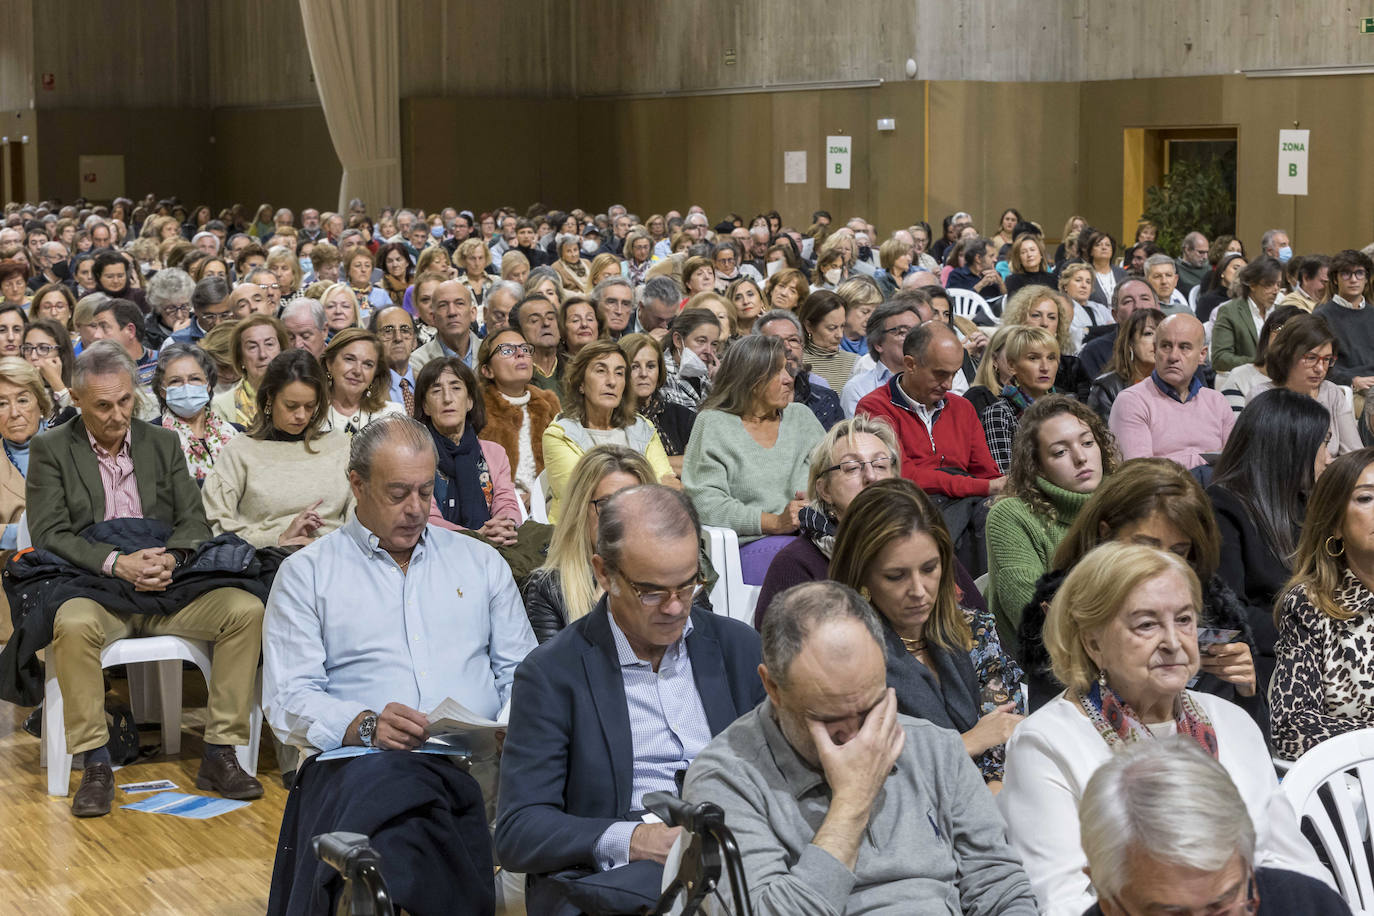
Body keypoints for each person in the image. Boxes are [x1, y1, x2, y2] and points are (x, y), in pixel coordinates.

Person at [262, 415, 536, 916]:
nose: (415, 510)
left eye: (425, 492)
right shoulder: (307, 574)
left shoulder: (479, 563)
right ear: (356, 483)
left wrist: (509, 722)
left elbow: (521, 669)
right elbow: (288, 698)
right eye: (397, 494)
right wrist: (365, 726)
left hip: (479, 757)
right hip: (362, 762)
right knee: (401, 802)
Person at [997, 542, 1328, 915]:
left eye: (1184, 620)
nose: (1173, 642)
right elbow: (1064, 901)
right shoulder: (1046, 743)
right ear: (1093, 642)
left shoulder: (1231, 721)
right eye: (1147, 624)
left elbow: (1293, 863)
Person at [683, 580, 1039, 914]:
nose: (858, 735)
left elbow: (1000, 888)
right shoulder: (725, 778)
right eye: (829, 717)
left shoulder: (934, 746)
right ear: (772, 688)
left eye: (871, 707)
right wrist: (852, 802)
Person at [495, 485, 764, 913]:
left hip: (736, 859)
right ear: (604, 573)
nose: (676, 608)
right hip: (612, 884)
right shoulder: (552, 674)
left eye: (688, 584)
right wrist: (634, 841)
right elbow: (518, 829)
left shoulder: (738, 648)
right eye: (652, 591)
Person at [26, 341, 267, 817]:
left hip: (166, 584)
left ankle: (220, 751)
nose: (117, 415)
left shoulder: (161, 442)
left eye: (125, 401)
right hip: (97, 589)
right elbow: (51, 534)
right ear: (76, 399)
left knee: (245, 611)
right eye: (103, 406)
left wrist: (173, 560)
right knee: (71, 625)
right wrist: (118, 562)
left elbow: (193, 522)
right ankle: (95, 761)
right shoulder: (50, 447)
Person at [830, 479, 1027, 785]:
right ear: (862, 576)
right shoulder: (845, 657)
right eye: (896, 576)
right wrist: (969, 742)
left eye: (929, 568)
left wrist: (994, 786)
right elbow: (873, 769)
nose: (919, 591)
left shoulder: (973, 628)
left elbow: (1006, 728)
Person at [1077, 741, 1351, 916]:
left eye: (1222, 907)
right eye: (1172, 915)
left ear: (1247, 868)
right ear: (1108, 900)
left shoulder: (1307, 905)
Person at [1208, 390, 1331, 703]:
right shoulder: (1222, 508)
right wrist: (1316, 634)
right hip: (1263, 663)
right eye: (1322, 444)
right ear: (1290, 448)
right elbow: (1228, 615)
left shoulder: (1306, 502)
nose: (1328, 458)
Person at [683, 335, 825, 583]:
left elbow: (831, 473)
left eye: (788, 369)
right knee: (806, 561)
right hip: (754, 545)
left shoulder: (801, 417)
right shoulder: (714, 423)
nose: (789, 379)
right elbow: (706, 504)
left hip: (817, 537)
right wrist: (775, 522)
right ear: (750, 378)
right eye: (777, 371)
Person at [987, 396, 1118, 655]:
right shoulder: (1012, 516)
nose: (1081, 457)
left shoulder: (1127, 503)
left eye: (1088, 443)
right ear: (1038, 466)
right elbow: (1038, 623)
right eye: (1060, 452)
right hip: (1049, 675)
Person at [1270, 447, 1374, 761]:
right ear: (1335, 524)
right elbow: (1291, 728)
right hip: (1356, 790)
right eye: (1366, 498)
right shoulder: (1310, 605)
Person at [203, 350, 354, 549]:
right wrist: (278, 539)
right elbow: (215, 521)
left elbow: (362, 514)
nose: (301, 415)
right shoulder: (240, 450)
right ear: (269, 398)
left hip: (336, 555)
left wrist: (324, 544)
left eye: (309, 406)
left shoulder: (340, 445)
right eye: (291, 406)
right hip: (264, 560)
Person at [522, 447, 663, 643]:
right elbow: (553, 673)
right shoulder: (549, 588)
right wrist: (602, 614)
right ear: (580, 510)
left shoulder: (677, 576)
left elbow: (708, 655)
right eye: (605, 504)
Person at [855, 322, 1004, 499]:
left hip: (968, 506)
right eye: (940, 374)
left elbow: (988, 474)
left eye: (954, 374)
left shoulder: (963, 408)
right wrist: (982, 487)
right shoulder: (874, 408)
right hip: (908, 509)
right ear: (910, 364)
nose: (949, 385)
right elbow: (903, 476)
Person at [543, 338, 674, 523]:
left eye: (619, 373)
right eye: (601, 371)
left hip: (643, 530)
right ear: (580, 383)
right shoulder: (559, 435)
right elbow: (582, 500)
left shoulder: (642, 428)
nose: (612, 381)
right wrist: (649, 487)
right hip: (580, 536)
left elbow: (670, 489)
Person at [412, 356, 520, 549]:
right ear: (426, 406)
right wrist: (475, 537)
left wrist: (505, 525)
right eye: (436, 391)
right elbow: (426, 517)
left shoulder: (494, 452)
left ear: (469, 401)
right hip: (436, 550)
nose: (447, 398)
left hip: (495, 546)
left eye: (456, 388)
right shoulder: (415, 455)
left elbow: (506, 501)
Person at [1109, 314, 1234, 469]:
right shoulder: (1131, 401)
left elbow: (1234, 462)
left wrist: (1167, 460)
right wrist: (1208, 459)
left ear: (1202, 355)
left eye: (1184, 347)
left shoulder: (1217, 402)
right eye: (1166, 346)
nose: (1173, 356)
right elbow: (1139, 472)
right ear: (1155, 350)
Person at [1249, 312, 1360, 454]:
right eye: (1311, 358)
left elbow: (1354, 455)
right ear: (1286, 355)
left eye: (1326, 359)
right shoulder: (1262, 397)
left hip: (1330, 475)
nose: (1320, 369)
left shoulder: (1332, 393)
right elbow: (1264, 461)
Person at [478, 326, 562, 502]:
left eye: (525, 349)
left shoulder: (549, 404)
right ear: (487, 370)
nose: (520, 354)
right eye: (507, 350)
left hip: (548, 505)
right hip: (499, 509)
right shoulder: (476, 410)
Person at [979, 325, 1061, 474]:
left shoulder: (1066, 409)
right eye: (1033, 358)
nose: (1045, 367)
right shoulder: (999, 413)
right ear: (1012, 365)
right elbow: (1006, 478)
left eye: (1051, 358)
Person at [152, 342, 236, 484]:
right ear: (162, 390)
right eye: (175, 381)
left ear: (208, 385)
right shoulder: (149, 437)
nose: (186, 387)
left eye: (195, 379)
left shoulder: (236, 433)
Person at [619, 332, 696, 471]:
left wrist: (642, 462)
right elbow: (621, 466)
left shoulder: (683, 416)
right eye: (634, 366)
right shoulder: (613, 418)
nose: (644, 374)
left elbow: (697, 465)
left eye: (651, 366)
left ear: (660, 370)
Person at [840, 299, 925, 417]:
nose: (914, 339)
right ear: (879, 343)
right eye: (903, 332)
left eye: (918, 333)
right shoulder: (858, 389)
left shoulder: (932, 383)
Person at [0, 358, 50, 548]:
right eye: (2, 404)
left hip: (73, 568)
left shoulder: (72, 446)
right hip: (10, 571)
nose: (14, 413)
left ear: (41, 404)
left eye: (22, 400)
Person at [319, 328, 404, 436]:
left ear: (375, 373)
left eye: (368, 364)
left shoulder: (392, 414)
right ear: (329, 363)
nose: (357, 371)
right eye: (349, 359)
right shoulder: (310, 413)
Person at [1087, 307, 1165, 421]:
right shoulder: (1108, 387)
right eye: (1148, 333)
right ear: (1130, 343)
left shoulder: (1178, 384)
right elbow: (1103, 436)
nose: (1157, 341)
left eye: (1163, 334)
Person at [210, 313, 287, 428]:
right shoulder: (221, 406)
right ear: (240, 357)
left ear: (282, 350)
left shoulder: (304, 394)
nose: (262, 354)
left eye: (269, 344)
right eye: (252, 347)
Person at [1314, 249, 1374, 393]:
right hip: (1346, 388)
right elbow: (1317, 363)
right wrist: (1352, 381)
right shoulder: (1321, 316)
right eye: (1346, 273)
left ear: (1366, 278)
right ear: (1335, 279)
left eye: (1359, 273)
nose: (1353, 279)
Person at [1212, 257, 1285, 371]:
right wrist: (1259, 363)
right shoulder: (1230, 312)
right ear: (1252, 284)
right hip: (1246, 380)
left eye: (1278, 284)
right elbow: (1220, 359)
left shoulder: (1281, 314)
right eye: (1269, 284)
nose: (1275, 290)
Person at [409, 278, 479, 371]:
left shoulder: (492, 353)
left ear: (472, 313)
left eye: (459, 303)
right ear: (433, 317)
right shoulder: (417, 362)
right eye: (443, 305)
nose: (452, 312)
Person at [660, 307, 721, 410]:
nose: (708, 351)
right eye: (701, 341)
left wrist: (720, 385)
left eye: (714, 344)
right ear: (678, 340)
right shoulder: (660, 375)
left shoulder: (710, 377)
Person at [797, 289, 856, 392]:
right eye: (832, 328)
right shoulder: (793, 362)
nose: (840, 335)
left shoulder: (856, 365)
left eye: (842, 326)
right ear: (809, 326)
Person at [23, 316, 77, 422]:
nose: (33, 356)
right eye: (28, 348)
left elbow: (82, 425)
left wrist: (57, 384)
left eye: (43, 348)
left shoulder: (82, 385)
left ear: (61, 353)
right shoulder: (16, 388)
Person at [1058, 262, 1115, 353]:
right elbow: (1074, 337)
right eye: (1078, 280)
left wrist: (1088, 330)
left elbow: (1116, 330)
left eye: (1088, 282)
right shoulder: (1061, 307)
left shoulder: (1101, 308)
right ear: (1065, 285)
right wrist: (1105, 329)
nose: (1084, 285)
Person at [1196, 251, 1249, 323]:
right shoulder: (1207, 300)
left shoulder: (1248, 300)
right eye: (1236, 268)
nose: (1240, 273)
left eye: (1244, 270)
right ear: (1222, 272)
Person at [1084, 229, 1126, 307]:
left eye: (1107, 245)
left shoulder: (1122, 273)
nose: (1104, 248)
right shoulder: (1085, 273)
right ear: (1091, 251)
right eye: (1098, 245)